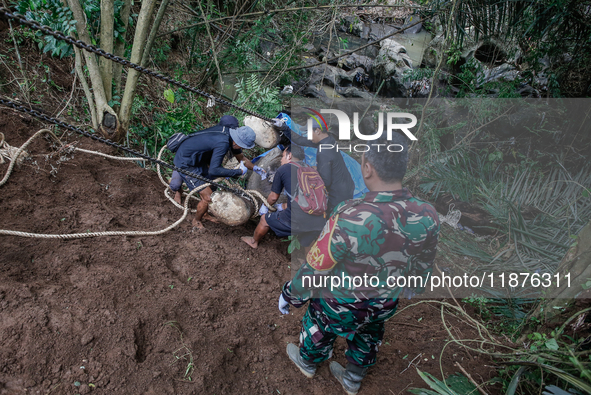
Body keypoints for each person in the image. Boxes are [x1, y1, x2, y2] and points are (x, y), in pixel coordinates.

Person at [277, 133, 440, 395]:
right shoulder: (427, 214)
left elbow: (317, 267)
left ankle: (307, 362)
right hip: (384, 302)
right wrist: (415, 285)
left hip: (339, 302)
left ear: (367, 167)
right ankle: (352, 379)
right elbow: (424, 262)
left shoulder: (349, 214)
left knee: (319, 321)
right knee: (369, 332)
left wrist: (291, 294)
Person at [169, 115, 264, 230]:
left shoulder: (232, 136)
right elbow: (214, 171)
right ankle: (196, 220)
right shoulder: (223, 142)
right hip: (186, 163)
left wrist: (255, 168)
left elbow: (241, 158)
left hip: (199, 159)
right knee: (208, 197)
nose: (242, 148)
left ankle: (204, 212)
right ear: (237, 141)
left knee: (212, 186)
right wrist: (239, 172)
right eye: (242, 145)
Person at [241, 144, 326, 249]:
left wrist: (265, 206)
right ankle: (307, 261)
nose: (281, 160)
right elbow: (305, 198)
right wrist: (283, 206)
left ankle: (253, 242)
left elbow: (273, 197)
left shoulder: (284, 169)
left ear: (289, 156)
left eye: (282, 156)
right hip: (319, 220)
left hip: (297, 218)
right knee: (306, 240)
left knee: (264, 220)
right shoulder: (311, 170)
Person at [273, 118, 355, 214]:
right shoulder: (329, 140)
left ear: (318, 131)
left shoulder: (324, 152)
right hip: (347, 185)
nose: (308, 135)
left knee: (328, 217)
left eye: (309, 132)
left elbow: (325, 181)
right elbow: (300, 140)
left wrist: (304, 180)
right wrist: (284, 127)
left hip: (338, 195)